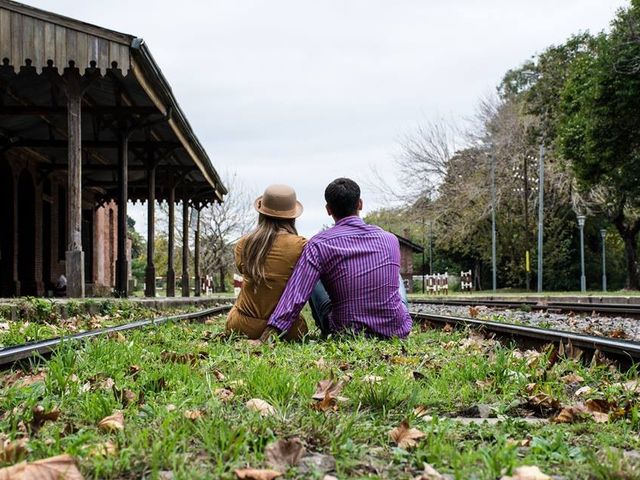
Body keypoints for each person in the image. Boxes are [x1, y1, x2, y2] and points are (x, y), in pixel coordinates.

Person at [258, 177, 412, 342]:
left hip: (346, 331)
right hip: (395, 330)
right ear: (360, 204)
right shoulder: (389, 239)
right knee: (396, 277)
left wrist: (266, 337)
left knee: (310, 275)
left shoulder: (318, 244)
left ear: (328, 209)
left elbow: (296, 294)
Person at [225, 184, 309, 340]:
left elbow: (242, 270)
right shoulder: (302, 246)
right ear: (293, 217)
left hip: (241, 326)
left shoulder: (244, 243)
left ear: (261, 213)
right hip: (287, 331)